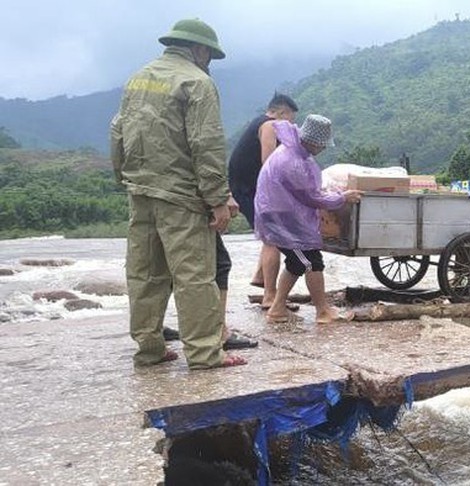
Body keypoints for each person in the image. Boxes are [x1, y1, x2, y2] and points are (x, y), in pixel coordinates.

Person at [110, 18, 246, 369]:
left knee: (144, 273)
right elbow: (206, 144)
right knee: (194, 276)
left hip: (140, 190)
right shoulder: (197, 82)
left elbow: (117, 130)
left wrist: (124, 178)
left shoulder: (138, 77)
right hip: (181, 196)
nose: (209, 62)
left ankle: (150, 349)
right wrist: (217, 199)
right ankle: (204, 353)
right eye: (209, 55)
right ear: (199, 50)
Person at [255, 115, 363, 323]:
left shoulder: (293, 152)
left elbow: (307, 190)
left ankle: (277, 309)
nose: (323, 148)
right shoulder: (293, 161)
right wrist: (342, 197)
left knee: (296, 262)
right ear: (313, 141)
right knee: (312, 262)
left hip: (282, 216)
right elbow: (311, 196)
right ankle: (322, 310)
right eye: (322, 144)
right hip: (283, 221)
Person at [228, 94, 299, 307]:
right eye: (290, 119)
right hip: (248, 190)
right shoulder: (269, 125)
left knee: (271, 234)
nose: (291, 124)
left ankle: (260, 276)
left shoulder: (258, 122)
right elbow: (269, 162)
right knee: (273, 239)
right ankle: (270, 296)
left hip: (246, 187)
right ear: (281, 112)